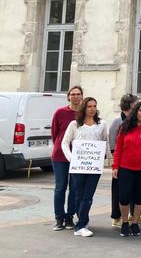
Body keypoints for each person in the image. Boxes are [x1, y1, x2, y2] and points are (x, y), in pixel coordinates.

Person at [61, 97, 109, 237]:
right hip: (78, 166)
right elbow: (65, 142)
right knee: (78, 194)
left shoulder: (102, 124)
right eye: (89, 106)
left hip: (94, 166)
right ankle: (83, 220)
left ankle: (81, 225)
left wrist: (108, 159)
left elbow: (105, 142)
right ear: (84, 108)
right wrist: (71, 158)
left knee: (88, 195)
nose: (92, 108)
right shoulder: (74, 125)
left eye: (94, 106)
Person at [112, 101, 141, 237]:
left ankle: (135, 223)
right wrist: (115, 166)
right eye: (140, 110)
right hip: (125, 168)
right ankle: (125, 222)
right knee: (124, 197)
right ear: (135, 111)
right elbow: (119, 148)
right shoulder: (125, 126)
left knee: (140, 198)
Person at [51, 85, 83, 231]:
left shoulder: (84, 114)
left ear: (82, 96)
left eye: (78, 94)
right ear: (68, 96)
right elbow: (55, 133)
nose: (76, 96)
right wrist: (61, 146)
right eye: (73, 94)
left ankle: (70, 217)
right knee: (60, 187)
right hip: (60, 155)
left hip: (79, 156)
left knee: (75, 188)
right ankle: (59, 218)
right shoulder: (60, 112)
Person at [109, 93, 141, 227]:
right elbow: (112, 140)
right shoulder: (118, 120)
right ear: (130, 104)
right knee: (118, 190)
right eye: (137, 103)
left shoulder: (137, 119)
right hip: (121, 161)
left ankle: (134, 213)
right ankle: (116, 216)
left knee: (134, 189)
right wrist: (116, 158)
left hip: (135, 162)